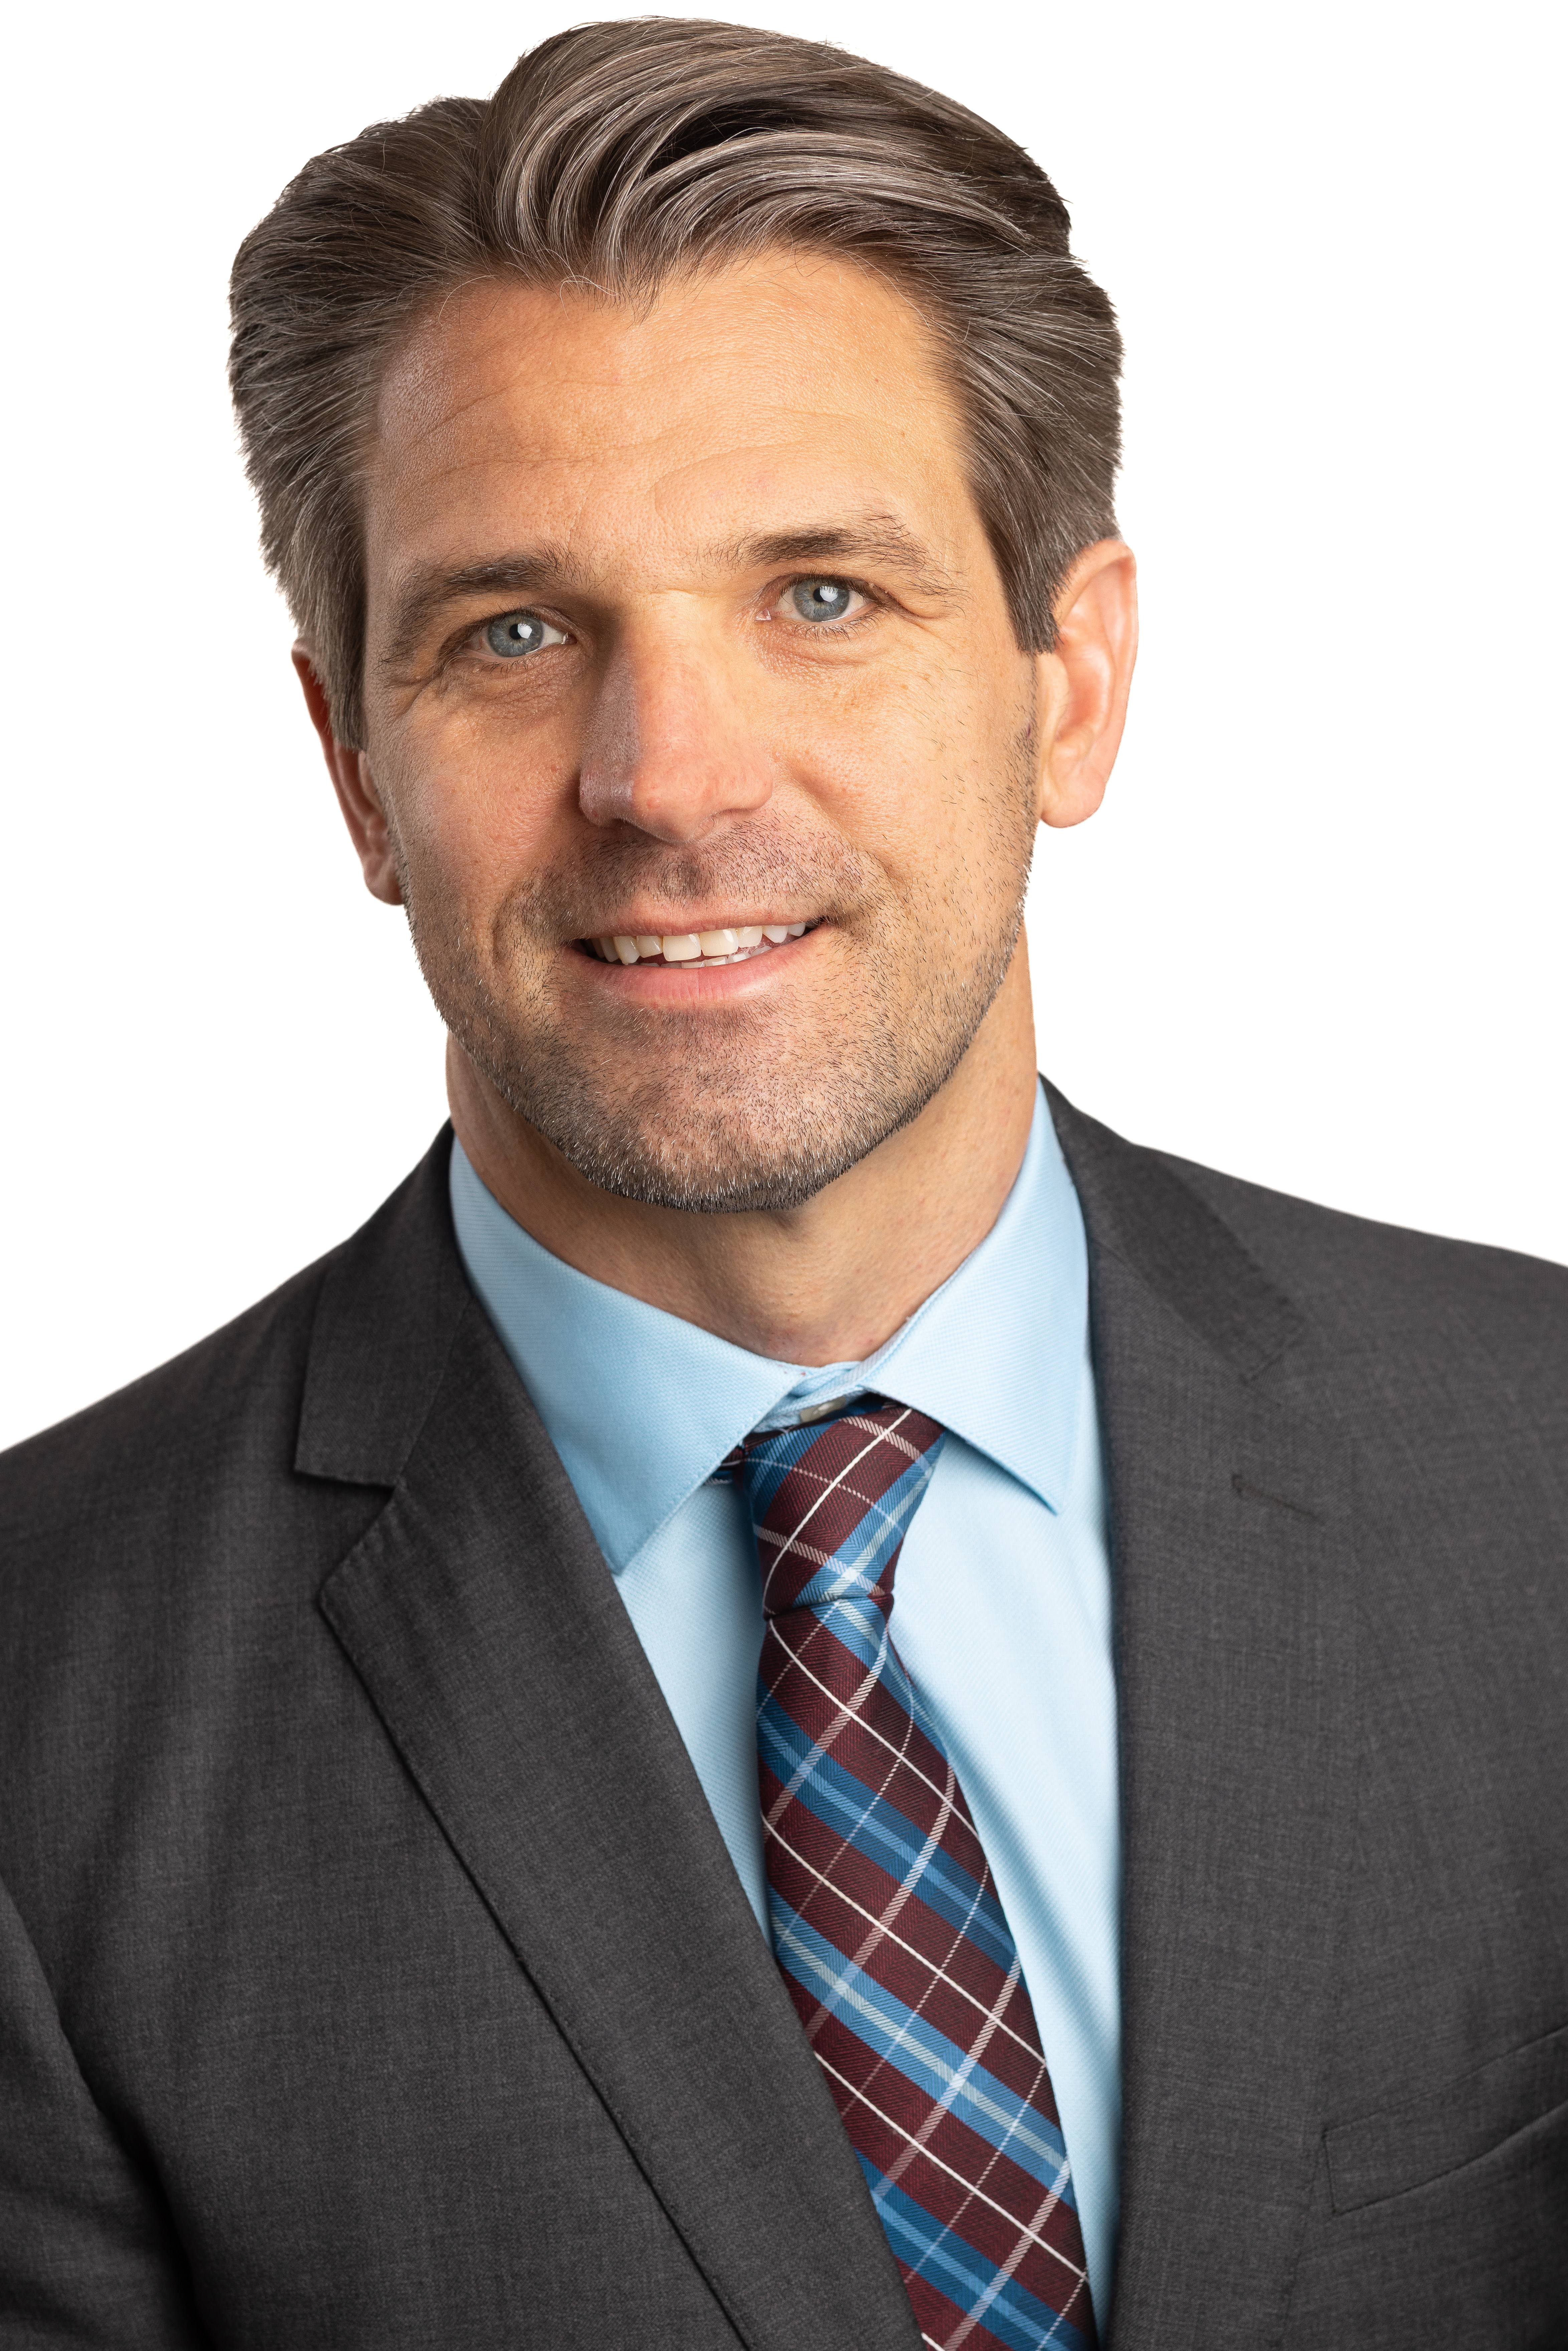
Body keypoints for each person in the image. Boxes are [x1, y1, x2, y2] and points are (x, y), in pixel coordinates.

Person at [1, 18, 1563, 2347]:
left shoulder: (1532, 1463)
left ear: (1072, 685)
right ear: (350, 764)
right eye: (513, 633)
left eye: (821, 594)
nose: (663, 776)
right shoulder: (47, 1707)